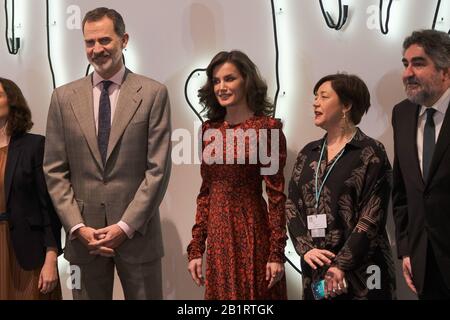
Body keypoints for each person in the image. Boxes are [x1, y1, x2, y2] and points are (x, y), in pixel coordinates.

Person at [43, 7, 171, 300]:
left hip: (137, 236)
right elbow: (54, 170)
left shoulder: (153, 93)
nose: (97, 49)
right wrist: (77, 226)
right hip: (84, 240)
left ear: (124, 39)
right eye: (90, 42)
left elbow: (158, 170)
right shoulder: (62, 98)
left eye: (105, 40)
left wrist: (124, 227)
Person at [187, 50, 288, 300]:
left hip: (251, 230)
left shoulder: (267, 129)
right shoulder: (209, 130)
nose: (221, 87)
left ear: (246, 80)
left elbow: (276, 196)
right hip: (218, 235)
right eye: (216, 80)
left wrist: (276, 252)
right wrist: (197, 248)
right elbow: (206, 192)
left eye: (229, 79)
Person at [286, 73, 396, 300]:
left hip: (362, 271)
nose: (315, 102)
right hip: (316, 268)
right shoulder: (308, 153)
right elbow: (291, 206)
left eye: (324, 96)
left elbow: (372, 216)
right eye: (315, 97)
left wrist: (341, 265)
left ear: (346, 105)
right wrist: (306, 249)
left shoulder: (370, 151)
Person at [392, 29, 450, 300]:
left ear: (445, 71)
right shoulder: (401, 114)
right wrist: (406, 249)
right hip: (423, 263)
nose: (407, 73)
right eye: (405, 64)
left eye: (418, 63)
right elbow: (402, 191)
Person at [0, 78, 62, 300]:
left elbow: (49, 207)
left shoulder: (34, 146)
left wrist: (51, 257)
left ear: (12, 102)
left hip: (27, 252)